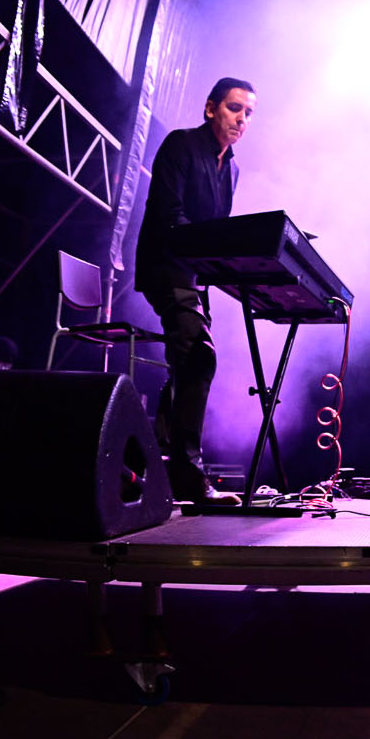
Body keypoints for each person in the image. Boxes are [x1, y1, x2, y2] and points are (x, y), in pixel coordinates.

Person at [133, 77, 254, 503]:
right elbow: (170, 215)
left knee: (188, 363)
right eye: (235, 108)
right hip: (166, 265)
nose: (242, 119)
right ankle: (188, 475)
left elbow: (218, 230)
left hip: (196, 275)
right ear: (211, 108)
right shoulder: (180, 145)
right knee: (200, 356)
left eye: (249, 113)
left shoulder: (232, 170)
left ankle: (150, 466)